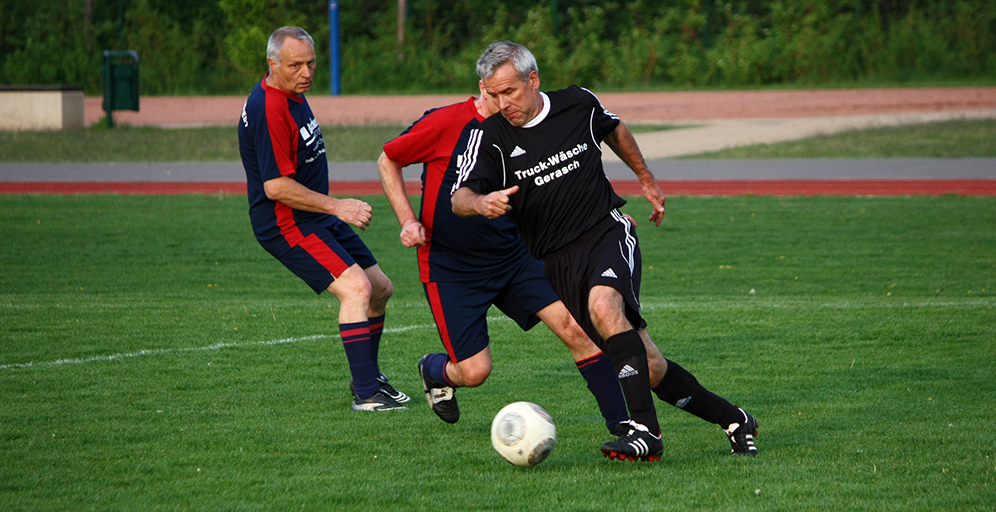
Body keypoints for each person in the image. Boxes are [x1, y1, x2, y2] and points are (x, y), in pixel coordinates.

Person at [452, 41, 759, 460]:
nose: (503, 103)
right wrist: (480, 203)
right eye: (492, 94)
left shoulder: (578, 103)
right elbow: (459, 196)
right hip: (558, 261)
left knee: (603, 304)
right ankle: (736, 419)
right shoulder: (486, 137)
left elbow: (613, 128)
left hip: (606, 231)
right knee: (649, 367)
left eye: (510, 91)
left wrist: (646, 179)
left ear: (533, 79)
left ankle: (646, 434)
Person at [377, 83, 635, 447]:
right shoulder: (445, 122)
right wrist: (407, 219)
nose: (507, 101)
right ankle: (435, 371)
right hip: (453, 269)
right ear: (484, 87)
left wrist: (602, 219)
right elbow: (388, 159)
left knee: (576, 327)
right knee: (474, 371)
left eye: (512, 89)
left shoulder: (523, 127)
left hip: (514, 256)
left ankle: (624, 426)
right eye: (499, 91)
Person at [238, 26, 409, 411]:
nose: (306, 72)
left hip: (314, 215)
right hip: (287, 223)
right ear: (273, 65)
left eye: (311, 62)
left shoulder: (293, 93)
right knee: (356, 290)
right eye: (296, 65)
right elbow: (275, 187)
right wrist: (338, 206)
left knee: (380, 288)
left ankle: (369, 376)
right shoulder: (271, 108)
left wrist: (330, 210)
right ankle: (366, 394)